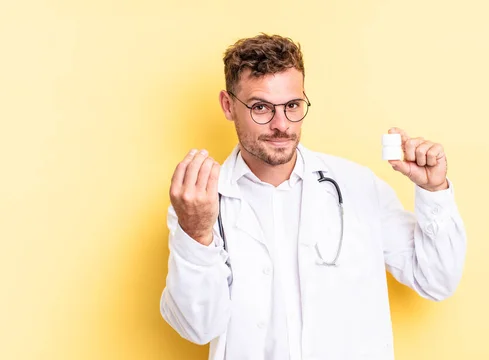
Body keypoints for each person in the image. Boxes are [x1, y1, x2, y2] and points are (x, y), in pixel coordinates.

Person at [160, 33, 467, 360]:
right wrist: (196, 233)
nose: (281, 125)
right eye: (261, 107)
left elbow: (436, 280)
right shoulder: (201, 204)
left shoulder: (358, 186)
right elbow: (198, 327)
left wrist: (434, 192)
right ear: (228, 105)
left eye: (292, 106)